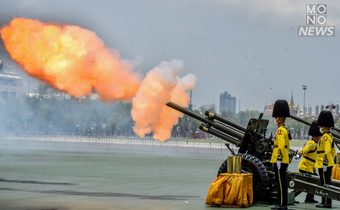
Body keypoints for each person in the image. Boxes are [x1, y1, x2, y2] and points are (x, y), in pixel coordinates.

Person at [270, 99, 290, 210]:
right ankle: (282, 203)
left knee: (280, 183)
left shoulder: (280, 130)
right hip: (283, 159)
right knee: (281, 182)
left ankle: (282, 204)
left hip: (280, 160)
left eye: (278, 117)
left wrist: (278, 158)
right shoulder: (284, 129)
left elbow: (281, 146)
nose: (276, 119)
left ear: (282, 117)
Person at [315, 110, 335, 208]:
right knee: (325, 183)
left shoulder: (326, 137)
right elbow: (332, 151)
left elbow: (327, 151)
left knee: (325, 184)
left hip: (324, 163)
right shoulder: (328, 136)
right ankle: (326, 202)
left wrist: (325, 162)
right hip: (326, 162)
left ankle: (326, 202)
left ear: (324, 125)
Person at [297, 120, 321, 203]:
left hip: (309, 167)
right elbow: (304, 150)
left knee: (310, 183)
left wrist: (314, 168)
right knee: (312, 182)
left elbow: (313, 157)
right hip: (305, 167)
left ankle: (309, 198)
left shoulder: (314, 143)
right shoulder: (311, 143)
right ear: (317, 136)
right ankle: (308, 198)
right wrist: (299, 154)